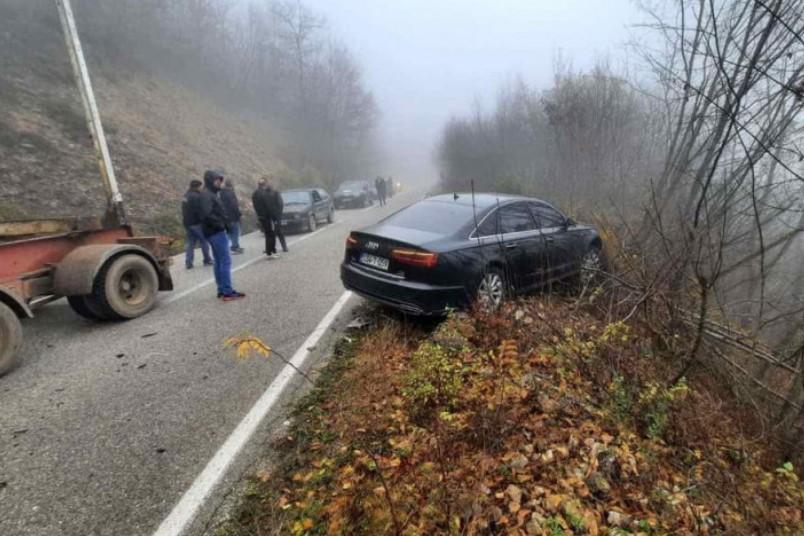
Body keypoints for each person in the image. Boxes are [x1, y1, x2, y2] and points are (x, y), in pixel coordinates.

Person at [200, 170, 246, 301]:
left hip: (212, 231)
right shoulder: (207, 195)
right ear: (210, 181)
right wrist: (221, 225)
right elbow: (207, 214)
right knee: (225, 261)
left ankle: (221, 289)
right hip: (215, 232)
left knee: (219, 261)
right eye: (216, 180)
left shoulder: (210, 193)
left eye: (220, 180)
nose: (219, 182)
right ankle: (227, 291)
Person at [181, 179, 213, 269]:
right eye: (200, 186)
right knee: (204, 241)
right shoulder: (197, 197)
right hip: (196, 223)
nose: (201, 188)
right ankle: (207, 259)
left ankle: (188, 262)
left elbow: (183, 210)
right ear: (197, 187)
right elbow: (200, 211)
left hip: (187, 223)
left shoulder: (185, 196)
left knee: (190, 243)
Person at [252, 177, 278, 259]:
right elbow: (269, 207)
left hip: (260, 216)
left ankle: (268, 252)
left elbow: (255, 206)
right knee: (271, 234)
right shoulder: (265, 194)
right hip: (267, 217)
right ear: (265, 184)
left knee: (267, 234)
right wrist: (274, 218)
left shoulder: (254, 194)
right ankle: (271, 252)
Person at [220, 178, 244, 254]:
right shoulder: (230, 193)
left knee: (228, 233)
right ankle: (235, 247)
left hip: (225, 217)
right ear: (231, 185)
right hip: (233, 216)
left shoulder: (221, 193)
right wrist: (239, 214)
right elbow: (234, 206)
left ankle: (224, 247)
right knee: (235, 232)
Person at [266, 177, 288, 255]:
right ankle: (271, 248)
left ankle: (284, 246)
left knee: (278, 232)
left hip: (275, 216)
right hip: (269, 216)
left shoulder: (275, 193)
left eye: (269, 184)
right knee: (272, 233)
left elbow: (280, 204)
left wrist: (278, 214)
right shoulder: (265, 194)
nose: (268, 185)